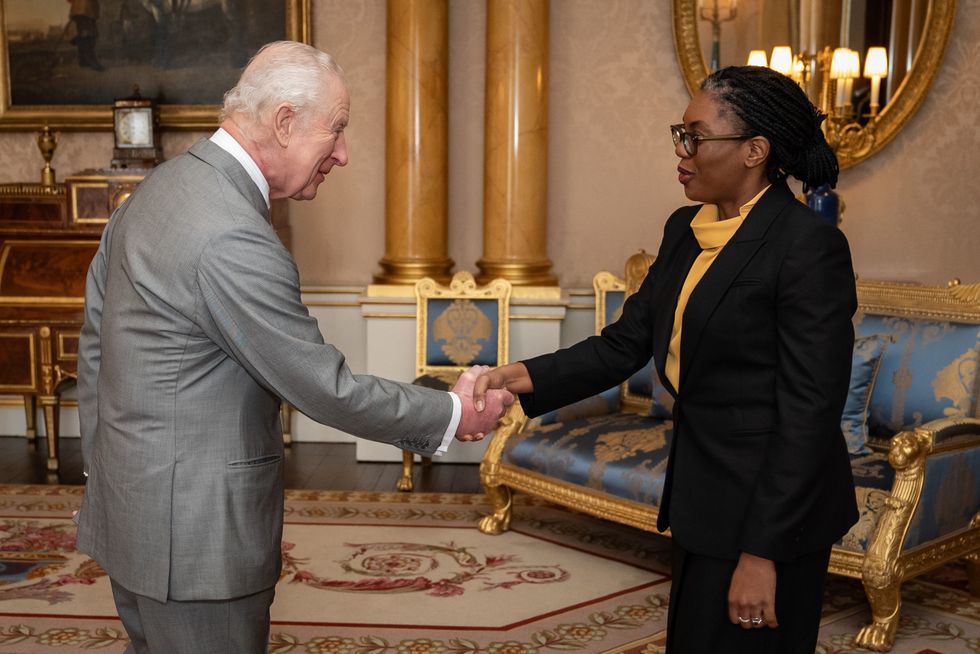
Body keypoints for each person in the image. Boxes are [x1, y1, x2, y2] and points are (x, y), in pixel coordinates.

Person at [75, 41, 513, 654]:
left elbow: (96, 348)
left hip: (138, 515)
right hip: (197, 542)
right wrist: (452, 413)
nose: (343, 152)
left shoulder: (158, 190)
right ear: (284, 122)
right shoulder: (230, 233)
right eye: (335, 130)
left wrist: (109, 474)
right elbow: (319, 385)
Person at [473, 65, 858, 654]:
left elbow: (808, 415)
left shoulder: (807, 247)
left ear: (755, 150)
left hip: (772, 506)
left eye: (695, 137)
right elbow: (625, 342)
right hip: (705, 490)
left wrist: (762, 555)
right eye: (679, 134)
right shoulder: (686, 228)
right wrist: (520, 376)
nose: (681, 151)